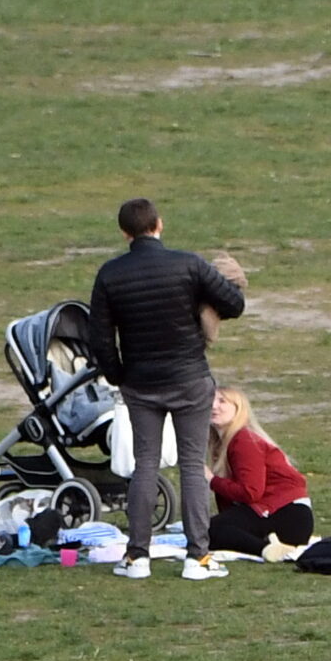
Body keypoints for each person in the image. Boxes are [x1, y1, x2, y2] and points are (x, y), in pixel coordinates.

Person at [88, 196, 246, 580]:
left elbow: (100, 337)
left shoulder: (110, 275)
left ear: (125, 232)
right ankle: (198, 557)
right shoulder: (189, 264)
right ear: (159, 224)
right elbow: (235, 303)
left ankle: (137, 557)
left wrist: (118, 374)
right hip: (190, 377)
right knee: (192, 465)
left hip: (140, 382)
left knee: (145, 465)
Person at [206, 388, 314, 557]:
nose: (213, 406)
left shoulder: (244, 440)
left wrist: (212, 480)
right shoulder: (224, 443)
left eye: (222, 401)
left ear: (238, 408)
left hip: (288, 515)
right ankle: (267, 544)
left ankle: (266, 550)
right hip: (277, 513)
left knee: (209, 530)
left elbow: (251, 492)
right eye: (210, 400)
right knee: (206, 529)